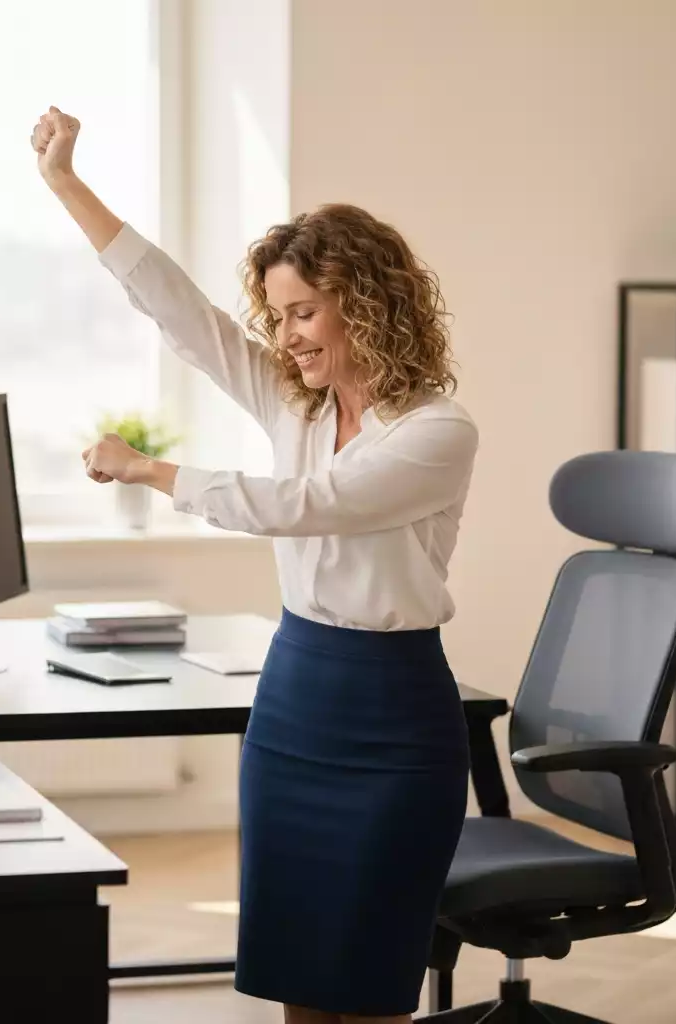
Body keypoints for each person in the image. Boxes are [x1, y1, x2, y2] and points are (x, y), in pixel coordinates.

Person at [32, 106, 479, 1024]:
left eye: (304, 312)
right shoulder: (297, 405)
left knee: (369, 978)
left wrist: (150, 470)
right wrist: (67, 185)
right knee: (295, 976)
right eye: (278, 316)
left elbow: (312, 507)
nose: (289, 337)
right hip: (294, 703)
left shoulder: (438, 432)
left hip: (395, 722)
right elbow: (182, 314)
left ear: (368, 302)